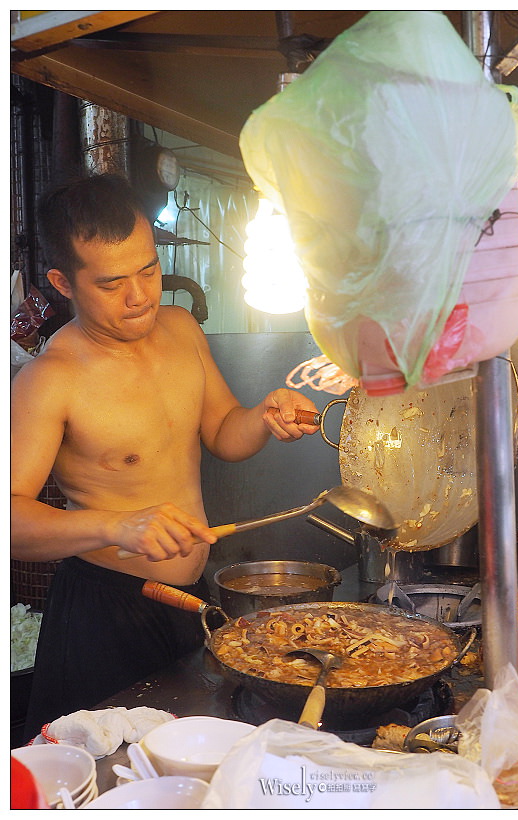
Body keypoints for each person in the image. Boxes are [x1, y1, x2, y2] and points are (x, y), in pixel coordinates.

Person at [11, 173, 320, 740]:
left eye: (148, 270)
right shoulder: (49, 379)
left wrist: (263, 416)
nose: (139, 297)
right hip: (103, 616)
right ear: (62, 282)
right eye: (111, 283)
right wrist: (119, 526)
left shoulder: (180, 328)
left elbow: (224, 432)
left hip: (187, 603)